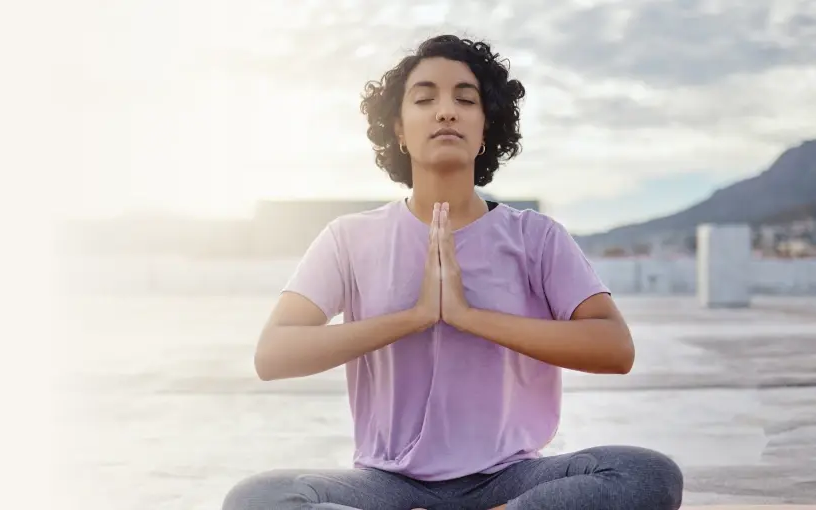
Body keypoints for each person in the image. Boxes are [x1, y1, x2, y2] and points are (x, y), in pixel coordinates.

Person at [221, 35, 683, 510]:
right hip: (389, 484)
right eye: (425, 99)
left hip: (510, 479)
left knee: (646, 474)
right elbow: (273, 354)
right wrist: (416, 315)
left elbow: (615, 347)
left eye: (465, 99)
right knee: (259, 498)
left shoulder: (536, 237)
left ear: (486, 129)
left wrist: (466, 315)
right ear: (399, 129)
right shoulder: (349, 238)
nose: (446, 112)